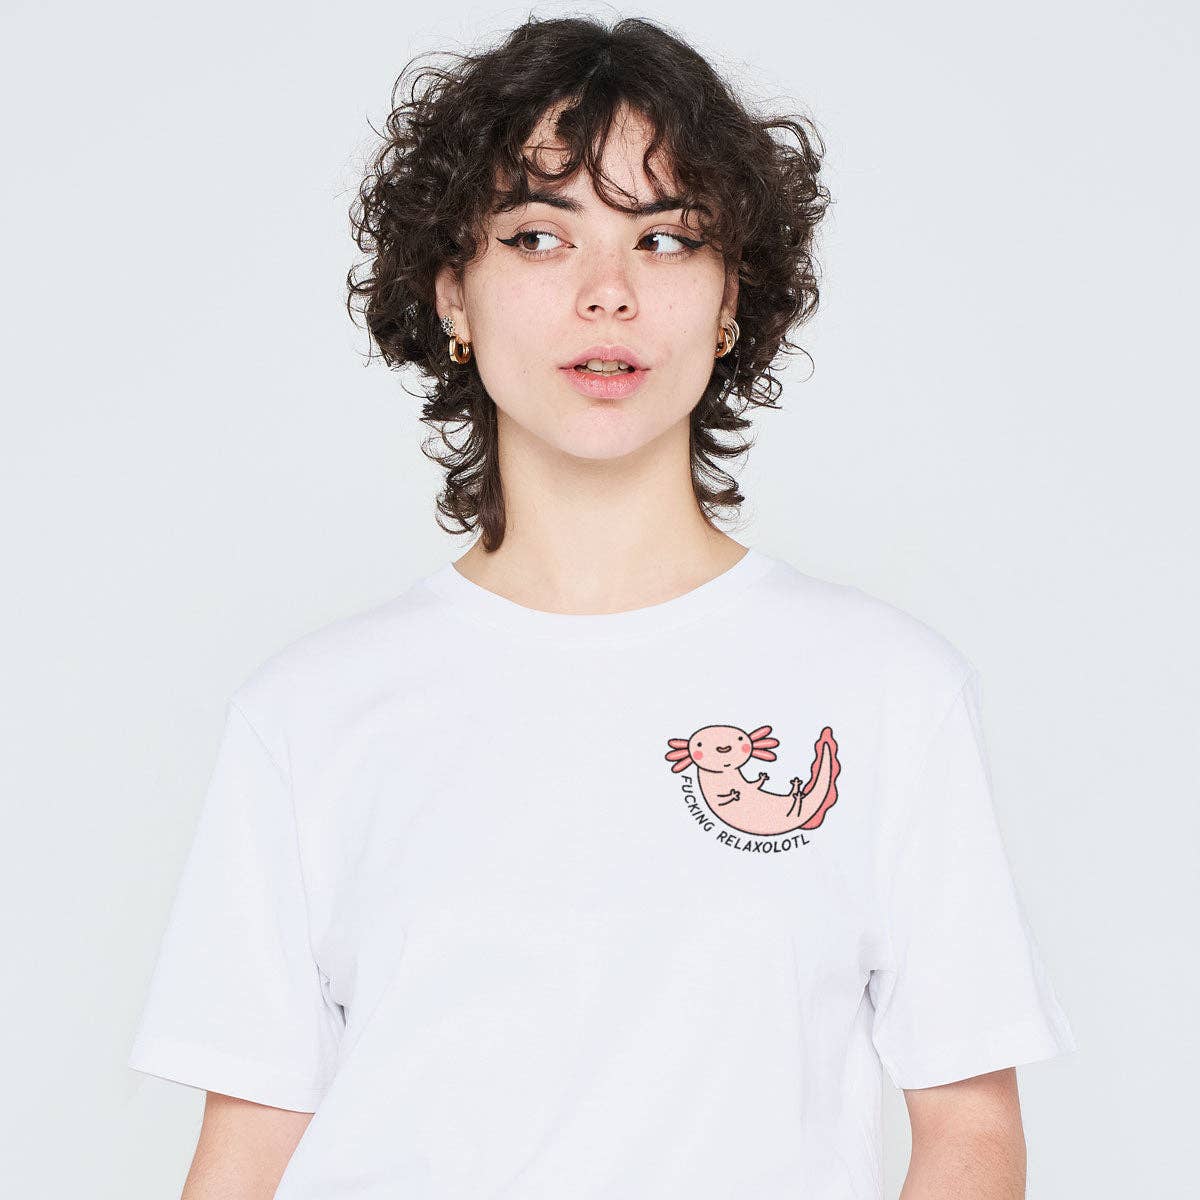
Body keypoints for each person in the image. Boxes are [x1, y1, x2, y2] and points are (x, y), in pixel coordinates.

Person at [126, 14, 1077, 1199]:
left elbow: (971, 1128)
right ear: (454, 295)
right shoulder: (308, 714)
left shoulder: (888, 688)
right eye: (539, 236)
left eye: (667, 240)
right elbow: (247, 1152)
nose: (608, 294)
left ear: (731, 298)